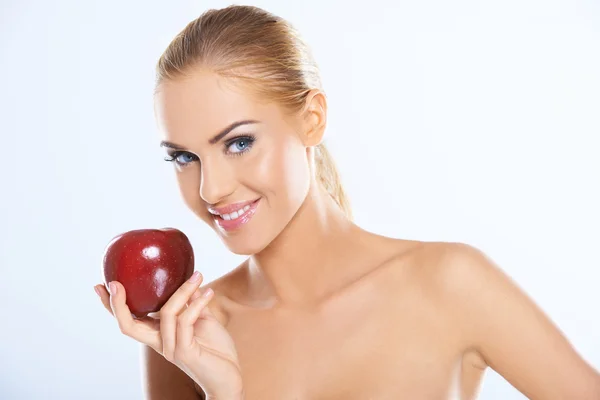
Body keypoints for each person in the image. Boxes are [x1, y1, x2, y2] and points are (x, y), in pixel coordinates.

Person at [93, 5, 600, 399]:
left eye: (239, 143)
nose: (211, 190)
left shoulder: (449, 282)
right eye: (184, 157)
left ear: (311, 119)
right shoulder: (187, 331)